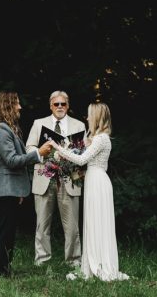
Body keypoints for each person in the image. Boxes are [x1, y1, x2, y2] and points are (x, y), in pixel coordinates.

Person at [49, 103, 129, 281]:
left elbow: (82, 159)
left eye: (89, 115)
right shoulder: (99, 138)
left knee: (97, 221)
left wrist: (58, 148)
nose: (87, 118)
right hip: (94, 179)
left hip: (98, 182)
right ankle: (95, 263)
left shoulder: (101, 139)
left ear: (97, 117)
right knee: (94, 222)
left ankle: (99, 265)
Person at [0, 91, 52, 277]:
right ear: (7, 105)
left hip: (10, 189)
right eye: (17, 103)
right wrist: (39, 153)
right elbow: (12, 160)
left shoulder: (7, 128)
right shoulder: (0, 130)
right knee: (4, 232)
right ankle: (1, 271)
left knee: (8, 232)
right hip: (4, 189)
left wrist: (19, 190)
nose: (20, 107)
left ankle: (4, 269)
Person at [25, 90, 86, 267]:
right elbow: (28, 147)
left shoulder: (79, 125)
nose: (60, 107)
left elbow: (84, 153)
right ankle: (42, 260)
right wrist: (40, 152)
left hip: (69, 179)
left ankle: (74, 261)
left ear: (68, 105)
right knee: (42, 224)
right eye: (56, 104)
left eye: (63, 104)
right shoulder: (39, 123)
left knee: (72, 226)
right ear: (50, 105)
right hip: (45, 178)